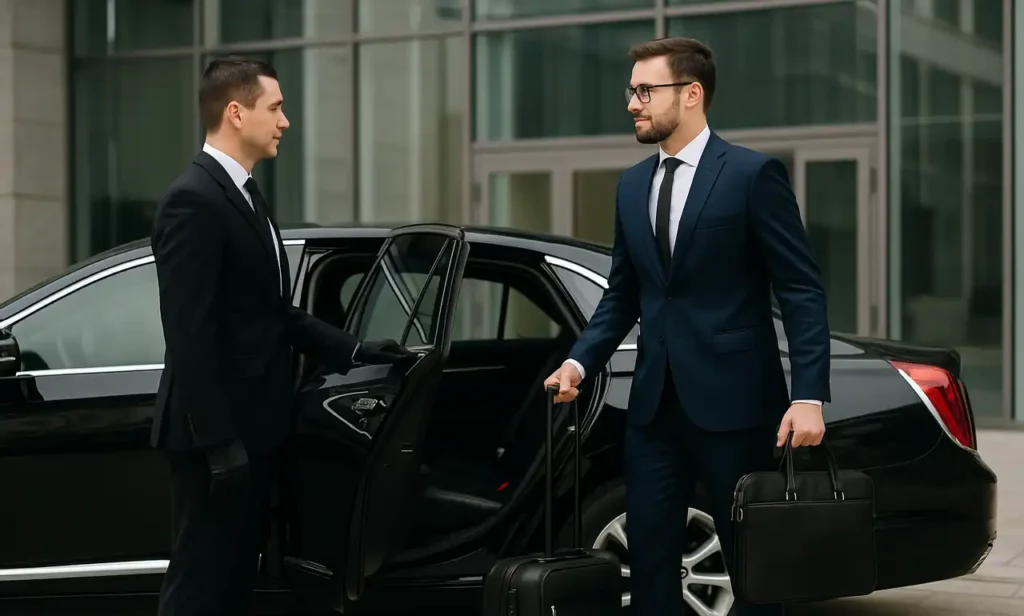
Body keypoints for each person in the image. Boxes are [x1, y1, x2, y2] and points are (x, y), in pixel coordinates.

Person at [544, 37, 831, 616]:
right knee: (650, 564)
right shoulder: (631, 185)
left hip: (737, 406)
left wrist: (809, 396)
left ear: (692, 94)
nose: (632, 103)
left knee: (753, 568)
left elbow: (800, 288)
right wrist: (579, 361)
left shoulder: (752, 175)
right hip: (653, 410)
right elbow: (624, 294)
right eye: (631, 91)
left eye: (645, 91)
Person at [150, 56, 413, 616]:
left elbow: (272, 313)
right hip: (215, 440)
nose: (285, 121)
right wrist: (219, 446)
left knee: (236, 585)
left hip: (258, 432)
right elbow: (189, 334)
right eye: (276, 107)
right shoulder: (192, 200)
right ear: (236, 111)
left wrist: (358, 349)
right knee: (200, 586)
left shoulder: (246, 195)